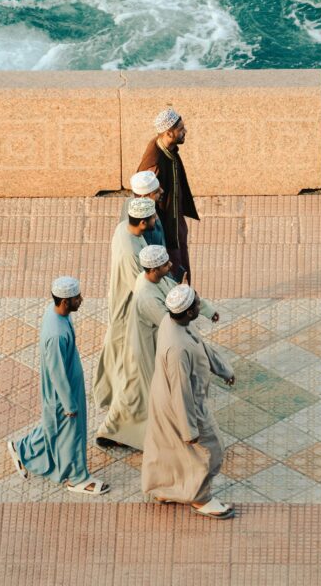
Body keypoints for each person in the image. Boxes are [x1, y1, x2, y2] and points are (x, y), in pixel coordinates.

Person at [95, 245, 220, 451]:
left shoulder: (157, 280)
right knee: (141, 394)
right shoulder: (147, 296)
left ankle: (112, 431)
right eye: (166, 264)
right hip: (145, 349)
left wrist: (206, 309)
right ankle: (127, 434)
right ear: (153, 269)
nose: (170, 266)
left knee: (134, 393)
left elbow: (175, 292)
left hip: (152, 345)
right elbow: (170, 322)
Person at [7, 276, 109, 496]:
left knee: (55, 427)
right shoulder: (56, 334)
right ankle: (78, 478)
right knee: (72, 434)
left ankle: (22, 448)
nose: (81, 300)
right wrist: (69, 404)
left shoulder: (57, 314)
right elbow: (56, 372)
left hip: (68, 389)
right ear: (65, 302)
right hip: (63, 393)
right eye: (77, 298)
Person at [142, 284, 235, 519]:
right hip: (181, 405)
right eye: (196, 304)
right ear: (187, 312)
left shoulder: (176, 323)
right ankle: (200, 498)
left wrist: (223, 370)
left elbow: (202, 347)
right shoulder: (176, 349)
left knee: (169, 450)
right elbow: (181, 390)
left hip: (167, 398)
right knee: (211, 449)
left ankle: (165, 488)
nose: (199, 305)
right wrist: (189, 429)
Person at [93, 197, 156, 415]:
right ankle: (120, 411)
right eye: (153, 217)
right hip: (125, 310)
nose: (156, 219)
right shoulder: (131, 251)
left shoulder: (124, 229)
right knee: (124, 362)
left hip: (120, 303)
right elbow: (139, 287)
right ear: (142, 223)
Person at [137, 107, 198, 282]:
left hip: (175, 223)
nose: (185, 132)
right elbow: (145, 201)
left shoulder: (167, 150)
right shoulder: (154, 163)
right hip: (166, 230)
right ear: (169, 133)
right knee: (176, 273)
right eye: (181, 129)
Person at [119, 169, 167, 250]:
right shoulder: (142, 220)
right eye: (156, 192)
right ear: (144, 197)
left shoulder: (131, 202)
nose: (162, 191)